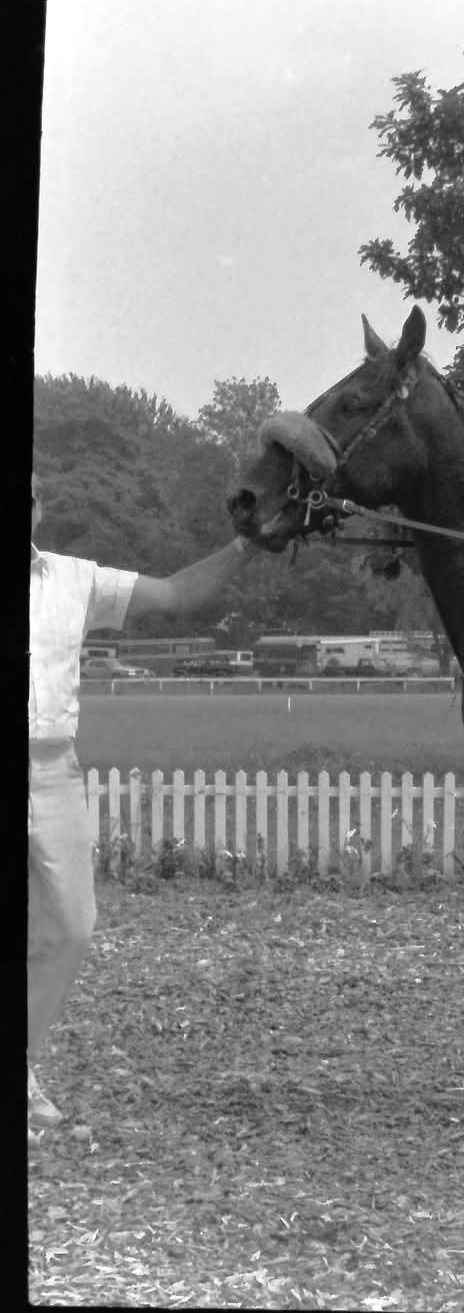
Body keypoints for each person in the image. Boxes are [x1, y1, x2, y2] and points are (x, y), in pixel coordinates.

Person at [28, 471, 260, 1131]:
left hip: (51, 768)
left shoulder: (75, 579)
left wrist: (248, 545)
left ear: (38, 507)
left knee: (72, 926)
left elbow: (179, 593)